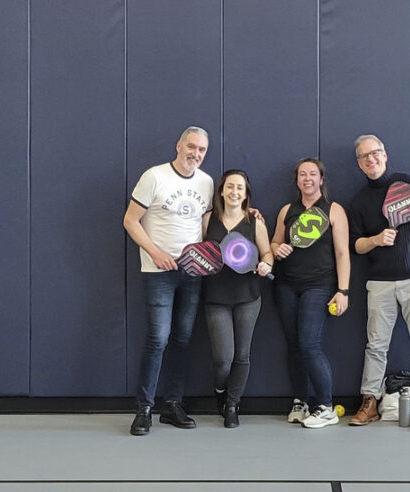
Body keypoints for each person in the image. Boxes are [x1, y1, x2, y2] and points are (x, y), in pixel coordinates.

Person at [343, 135, 410, 431]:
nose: (370, 159)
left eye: (374, 153)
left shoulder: (409, 183)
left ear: (384, 155)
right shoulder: (359, 201)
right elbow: (355, 245)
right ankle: (369, 402)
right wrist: (375, 240)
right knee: (375, 346)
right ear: (359, 164)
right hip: (380, 283)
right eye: (363, 156)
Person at [123, 126, 214, 436]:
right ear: (178, 145)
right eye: (191, 147)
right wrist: (155, 252)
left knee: (183, 339)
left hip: (192, 273)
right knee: (158, 338)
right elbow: (130, 220)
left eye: (202, 150)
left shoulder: (206, 182)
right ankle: (144, 408)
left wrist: (245, 217)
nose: (196, 154)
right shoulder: (155, 177)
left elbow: (206, 225)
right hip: (158, 271)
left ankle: (172, 404)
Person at [270, 157, 350, 428]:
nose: (307, 178)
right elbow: (274, 243)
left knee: (309, 345)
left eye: (312, 174)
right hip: (285, 286)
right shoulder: (286, 211)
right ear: (297, 180)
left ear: (321, 179)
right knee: (294, 347)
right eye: (302, 174)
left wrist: (343, 290)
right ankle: (300, 402)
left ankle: (326, 407)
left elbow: (342, 253)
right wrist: (275, 249)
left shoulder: (334, 210)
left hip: (319, 286)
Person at [201, 169, 272, 428]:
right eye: (230, 187)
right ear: (221, 191)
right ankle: (220, 391)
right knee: (223, 358)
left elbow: (267, 254)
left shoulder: (256, 222)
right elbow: (199, 252)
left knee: (242, 355)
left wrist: (266, 265)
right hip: (216, 297)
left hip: (248, 297)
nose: (234, 192)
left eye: (240, 188)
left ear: (246, 193)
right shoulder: (208, 220)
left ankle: (232, 404)